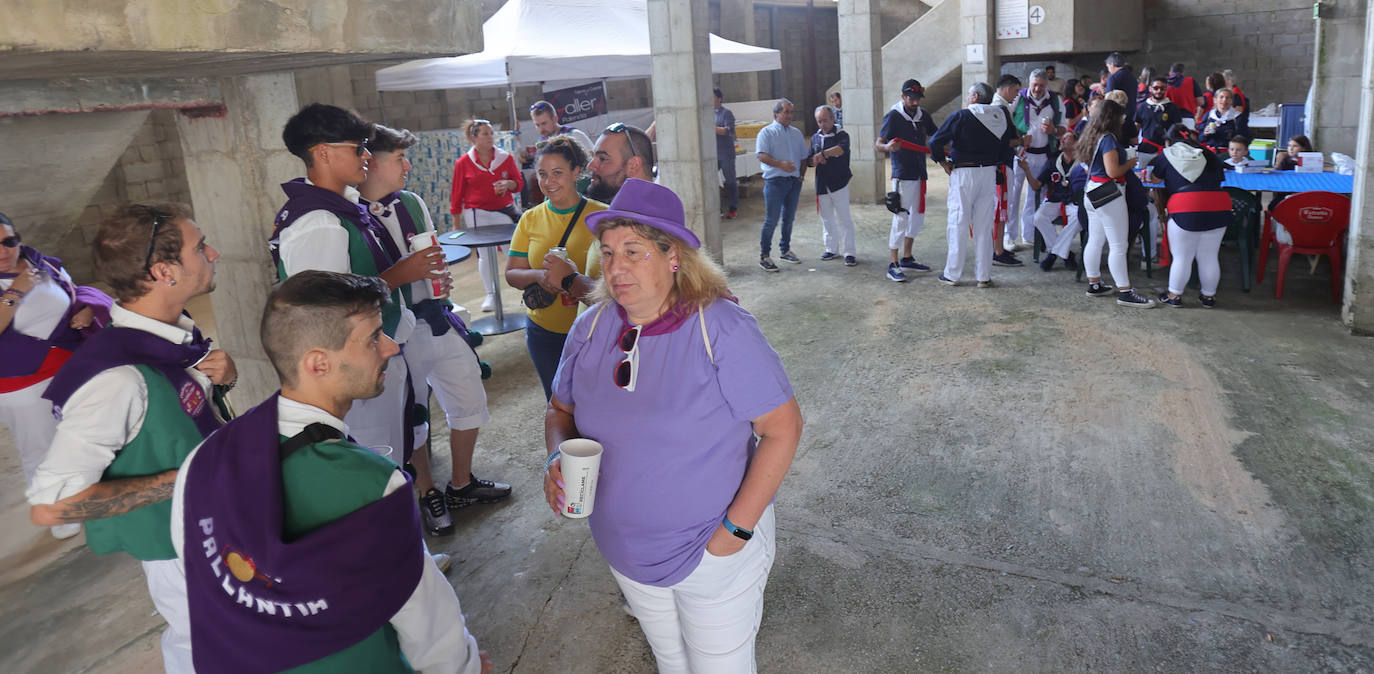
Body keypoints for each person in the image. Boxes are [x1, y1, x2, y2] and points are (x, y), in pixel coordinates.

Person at [174, 271, 492, 674]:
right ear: (318, 363)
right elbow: (432, 633)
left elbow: (202, 594)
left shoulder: (202, 460)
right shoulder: (374, 484)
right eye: (374, 337)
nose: (391, 348)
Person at [544, 178, 802, 673]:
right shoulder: (592, 326)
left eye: (634, 251)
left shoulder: (719, 326)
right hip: (625, 552)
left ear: (674, 257)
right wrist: (557, 455)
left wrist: (734, 533)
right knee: (671, 663)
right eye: (608, 251)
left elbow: (782, 428)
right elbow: (560, 410)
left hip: (712, 553)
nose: (616, 267)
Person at [28, 202, 235, 671]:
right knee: (211, 648)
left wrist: (216, 382)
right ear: (164, 271)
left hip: (211, 527)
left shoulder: (168, 340)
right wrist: (184, 480)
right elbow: (55, 505)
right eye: (200, 247)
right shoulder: (116, 378)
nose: (214, 253)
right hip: (179, 547)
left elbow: (169, 420)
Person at [271, 103, 452, 533]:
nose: (367, 157)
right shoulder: (318, 223)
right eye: (357, 148)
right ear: (323, 153)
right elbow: (328, 311)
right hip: (354, 362)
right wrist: (401, 274)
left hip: (381, 346)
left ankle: (408, 550)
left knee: (398, 443)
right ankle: (392, 560)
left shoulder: (342, 208)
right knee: (376, 460)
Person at [361, 124, 511, 533]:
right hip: (393, 332)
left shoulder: (410, 202)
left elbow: (429, 255)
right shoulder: (352, 215)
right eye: (398, 159)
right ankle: (428, 491)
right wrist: (402, 276)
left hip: (434, 316)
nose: (408, 165)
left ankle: (461, 482)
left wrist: (438, 277)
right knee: (412, 412)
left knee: (467, 392)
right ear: (369, 162)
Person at [0, 212, 112, 539]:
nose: (4, 250)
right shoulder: (17, 280)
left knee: (85, 436)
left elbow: (72, 293)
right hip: (23, 383)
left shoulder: (40, 263)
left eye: (9, 241)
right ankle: (59, 516)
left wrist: (85, 309)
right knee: (41, 450)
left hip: (70, 366)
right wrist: (16, 291)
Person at [505, 137, 607, 399]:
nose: (548, 182)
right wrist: (540, 276)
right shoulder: (530, 219)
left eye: (557, 173)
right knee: (558, 402)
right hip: (544, 332)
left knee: (596, 404)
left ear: (576, 172)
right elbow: (512, 273)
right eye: (542, 174)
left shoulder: (603, 217)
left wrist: (572, 279)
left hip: (593, 332)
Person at [929, 82, 1019, 288]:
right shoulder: (1000, 116)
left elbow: (935, 142)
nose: (968, 98)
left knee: (958, 222)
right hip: (988, 173)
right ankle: (983, 276)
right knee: (984, 226)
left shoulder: (961, 116)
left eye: (970, 94)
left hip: (964, 173)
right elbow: (1007, 144)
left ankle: (953, 274)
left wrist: (942, 161)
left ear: (976, 97)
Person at [1077, 99, 1155, 308]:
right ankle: (1125, 291)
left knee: (1095, 239)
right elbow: (1113, 171)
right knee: (1118, 245)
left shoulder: (1092, 135)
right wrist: (1129, 163)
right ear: (1111, 117)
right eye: (1120, 116)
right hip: (1109, 194)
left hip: (1092, 192)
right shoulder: (1109, 139)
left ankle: (1094, 283)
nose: (1123, 120)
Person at [1146, 124, 1232, 308]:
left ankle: (1174, 296)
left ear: (1169, 141)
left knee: (1182, 256)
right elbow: (1218, 179)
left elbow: (1155, 179)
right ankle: (1208, 297)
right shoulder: (1209, 155)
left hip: (1186, 205)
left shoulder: (1166, 156)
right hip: (1219, 204)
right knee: (1209, 255)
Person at [451, 118, 524, 312]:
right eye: (485, 133)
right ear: (474, 138)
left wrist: (509, 184)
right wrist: (456, 223)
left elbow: (519, 182)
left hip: (504, 209)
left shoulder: (505, 158)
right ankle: (491, 294)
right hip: (477, 212)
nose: (490, 137)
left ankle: (526, 287)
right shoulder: (463, 163)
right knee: (484, 255)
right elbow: (457, 193)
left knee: (514, 249)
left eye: (491, 133)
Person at [876, 79, 939, 281]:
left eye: (917, 98)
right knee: (901, 217)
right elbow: (879, 144)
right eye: (911, 98)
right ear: (903, 97)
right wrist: (888, 148)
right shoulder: (893, 116)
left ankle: (907, 257)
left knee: (917, 218)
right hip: (903, 174)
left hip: (921, 173)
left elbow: (936, 135)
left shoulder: (922, 116)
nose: (914, 102)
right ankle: (892, 263)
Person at [1009, 69, 1064, 251]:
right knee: (1013, 195)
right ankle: (1009, 237)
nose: (1037, 89)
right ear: (1029, 83)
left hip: (1044, 155)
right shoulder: (1019, 98)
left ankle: (1029, 235)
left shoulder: (1055, 101)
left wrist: (1054, 131)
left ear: (1046, 85)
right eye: (1034, 85)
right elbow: (1006, 120)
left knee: (1035, 196)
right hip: (1020, 153)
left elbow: (1064, 129)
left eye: (1041, 85)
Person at [754, 98, 808, 272]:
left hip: (793, 182)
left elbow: (803, 157)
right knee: (771, 220)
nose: (789, 115)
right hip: (775, 182)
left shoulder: (796, 133)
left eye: (791, 112)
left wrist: (800, 176)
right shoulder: (766, 133)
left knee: (789, 218)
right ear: (776, 113)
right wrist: (781, 165)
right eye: (786, 112)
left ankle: (785, 250)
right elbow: (761, 155)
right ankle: (765, 256)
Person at [1020, 131, 1082, 271]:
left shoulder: (1083, 162)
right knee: (1038, 217)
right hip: (1055, 199)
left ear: (1077, 144)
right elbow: (1037, 185)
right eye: (1062, 138)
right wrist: (1027, 170)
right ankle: (1066, 255)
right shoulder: (1053, 161)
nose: (1062, 140)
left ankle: (1053, 254)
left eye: (1067, 138)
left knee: (1079, 217)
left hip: (1074, 201)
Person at [808, 105, 857, 266]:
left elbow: (840, 150)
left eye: (825, 120)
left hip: (839, 183)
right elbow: (809, 159)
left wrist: (822, 154)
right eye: (819, 121)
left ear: (833, 119)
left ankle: (849, 252)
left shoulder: (842, 134)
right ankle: (831, 249)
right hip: (821, 184)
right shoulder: (815, 137)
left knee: (844, 219)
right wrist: (814, 160)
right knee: (826, 218)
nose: (822, 124)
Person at [990, 74, 1026, 267]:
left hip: (1003, 164)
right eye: (1016, 91)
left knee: (1002, 209)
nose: (1017, 96)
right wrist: (1021, 141)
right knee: (1000, 209)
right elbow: (1003, 141)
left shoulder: (1001, 108)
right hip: (1001, 165)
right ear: (1007, 88)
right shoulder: (999, 109)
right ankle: (996, 250)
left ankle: (998, 248)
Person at [587, 122, 656, 202]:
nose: (590, 166)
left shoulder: (666, 211)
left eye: (602, 159)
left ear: (633, 166)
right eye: (592, 157)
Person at [528, 100, 593, 153]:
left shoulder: (575, 135)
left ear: (555, 119)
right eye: (537, 125)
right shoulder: (541, 143)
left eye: (544, 123)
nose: (541, 129)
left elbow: (594, 161)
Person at [714, 88, 739, 220]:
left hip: (726, 153)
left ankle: (733, 208)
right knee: (710, 181)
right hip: (712, 153)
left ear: (719, 98)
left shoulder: (726, 113)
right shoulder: (708, 113)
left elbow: (729, 131)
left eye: (712, 97)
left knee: (730, 181)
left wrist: (712, 128)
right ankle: (715, 208)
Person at [1198, 88, 1247, 153]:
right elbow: (1200, 139)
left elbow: (1244, 138)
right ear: (1215, 100)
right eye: (1221, 97)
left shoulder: (1237, 117)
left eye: (1228, 98)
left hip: (1230, 154)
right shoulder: (1209, 115)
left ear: (1232, 101)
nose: (1224, 100)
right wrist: (1205, 133)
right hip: (1211, 153)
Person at [1105, 52, 1138, 139]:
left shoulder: (1113, 78)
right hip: (1130, 117)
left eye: (1108, 67)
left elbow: (1109, 100)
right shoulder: (1132, 77)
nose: (1108, 70)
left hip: (1116, 119)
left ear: (1112, 64)